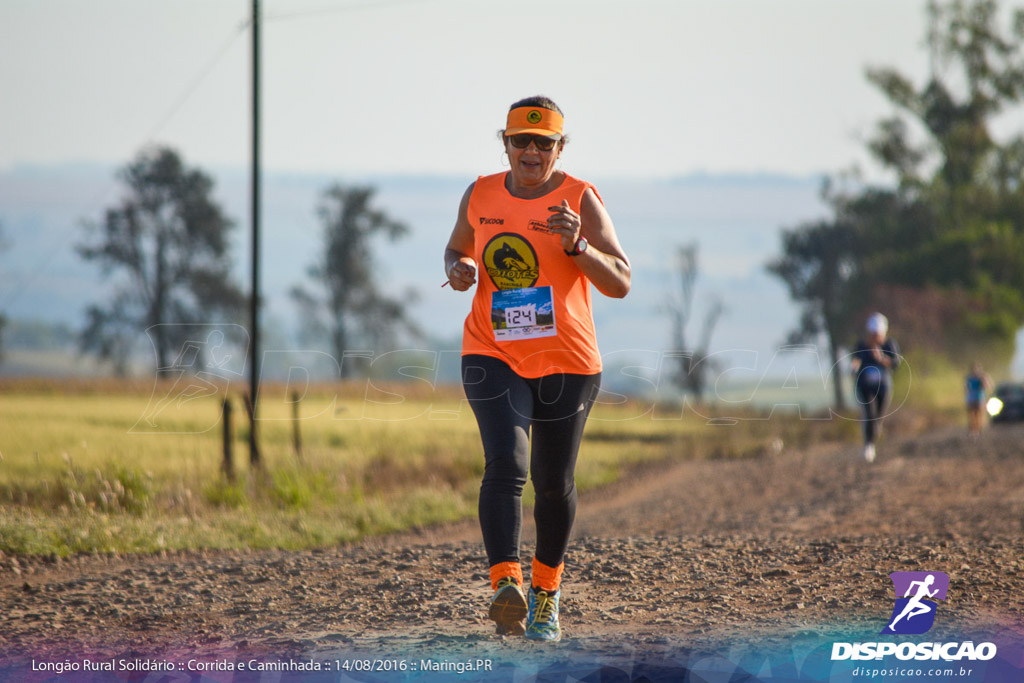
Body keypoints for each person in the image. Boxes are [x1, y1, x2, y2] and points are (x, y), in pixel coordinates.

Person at [443, 95, 630, 641]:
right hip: (492, 351)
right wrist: (459, 269)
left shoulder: (581, 198)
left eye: (542, 142)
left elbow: (619, 281)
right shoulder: (480, 193)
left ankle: (547, 593)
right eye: (520, 140)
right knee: (506, 463)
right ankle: (507, 584)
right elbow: (458, 250)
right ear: (504, 142)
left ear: (559, 148)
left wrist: (577, 245)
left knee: (552, 485)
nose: (530, 151)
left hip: (567, 362)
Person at [850, 313, 900, 463]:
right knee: (870, 414)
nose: (875, 336)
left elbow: (895, 363)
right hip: (865, 387)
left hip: (883, 388)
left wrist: (881, 358)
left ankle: (874, 436)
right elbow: (855, 360)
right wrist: (854, 366)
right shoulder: (861, 345)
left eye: (878, 333)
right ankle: (869, 446)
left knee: (878, 417)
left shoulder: (889, 345)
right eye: (873, 333)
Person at [964, 362, 993, 436]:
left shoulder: (982, 377)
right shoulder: (969, 378)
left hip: (980, 397)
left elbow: (988, 386)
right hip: (971, 397)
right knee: (972, 414)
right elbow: (966, 388)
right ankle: (973, 429)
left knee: (979, 414)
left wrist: (984, 380)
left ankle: (979, 429)